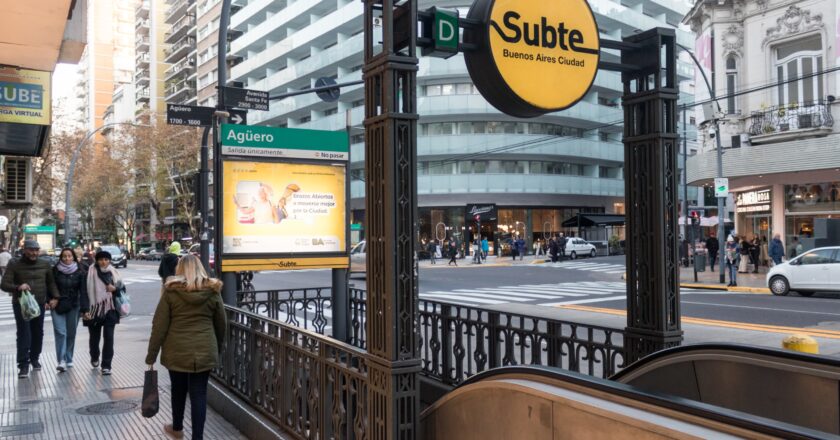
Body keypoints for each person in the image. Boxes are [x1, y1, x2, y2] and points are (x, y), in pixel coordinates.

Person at [146, 255, 227, 440]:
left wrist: (151, 356)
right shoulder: (213, 291)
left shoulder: (171, 291)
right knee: (199, 393)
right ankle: (197, 437)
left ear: (179, 269)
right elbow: (221, 323)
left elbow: (159, 326)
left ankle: (177, 428)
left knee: (178, 389)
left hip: (177, 350)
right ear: (200, 268)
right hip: (205, 348)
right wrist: (217, 347)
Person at [1, 240, 60, 378]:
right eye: (31, 250)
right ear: (24, 250)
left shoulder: (45, 264)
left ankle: (34, 358)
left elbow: (51, 283)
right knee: (24, 333)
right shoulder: (14, 264)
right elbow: (4, 284)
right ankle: (23, 364)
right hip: (21, 304)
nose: (34, 253)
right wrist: (18, 287)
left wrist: (55, 297)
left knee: (38, 332)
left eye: (36, 250)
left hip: (39, 303)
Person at [84, 250, 124, 375]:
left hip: (110, 309)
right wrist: (84, 310)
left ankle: (106, 365)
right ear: (97, 260)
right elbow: (84, 292)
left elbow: (122, 289)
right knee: (94, 338)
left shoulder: (114, 272)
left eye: (106, 259)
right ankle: (94, 356)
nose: (104, 262)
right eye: (101, 259)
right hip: (94, 309)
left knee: (109, 338)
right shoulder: (89, 272)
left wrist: (115, 289)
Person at [52, 247, 89, 372]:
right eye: (64, 256)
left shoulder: (80, 271)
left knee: (71, 333)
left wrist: (85, 309)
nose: (67, 258)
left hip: (74, 305)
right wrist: (51, 299)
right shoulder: (55, 270)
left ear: (73, 257)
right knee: (60, 332)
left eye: (69, 256)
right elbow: (50, 286)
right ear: (61, 258)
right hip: (58, 304)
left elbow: (83, 291)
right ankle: (61, 360)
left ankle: (69, 358)